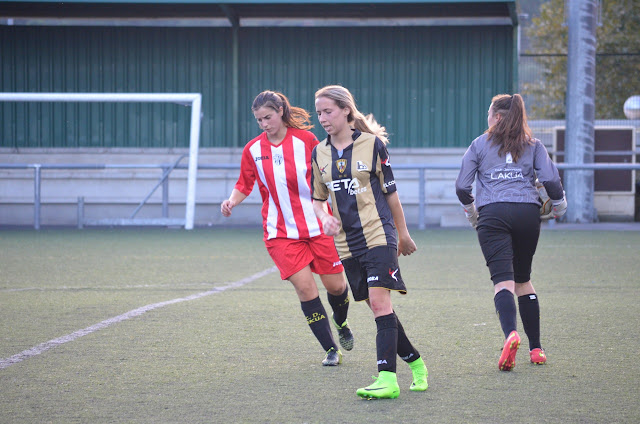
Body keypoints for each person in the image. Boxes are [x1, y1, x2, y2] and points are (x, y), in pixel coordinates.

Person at [311, 85, 428, 399]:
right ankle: (416, 364)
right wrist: (324, 217)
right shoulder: (319, 153)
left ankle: (387, 379)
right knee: (380, 309)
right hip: (346, 244)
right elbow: (317, 199)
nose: (322, 117)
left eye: (328, 111)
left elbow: (391, 194)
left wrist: (402, 235)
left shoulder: (372, 145)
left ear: (346, 110)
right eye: (319, 112)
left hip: (379, 235)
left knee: (379, 303)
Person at [221, 90, 354, 366]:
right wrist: (231, 201)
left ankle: (341, 323)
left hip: (319, 227)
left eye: (268, 117)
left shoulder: (307, 141)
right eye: (259, 120)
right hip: (280, 233)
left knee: (338, 287)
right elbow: (244, 183)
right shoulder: (253, 150)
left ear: (281, 112)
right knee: (306, 290)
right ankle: (330, 349)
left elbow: (326, 174)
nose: (264, 124)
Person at [455, 93, 567, 371]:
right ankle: (537, 349)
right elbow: (551, 179)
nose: (488, 118)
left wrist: (472, 213)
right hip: (527, 213)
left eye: (490, 113)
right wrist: (560, 205)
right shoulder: (533, 144)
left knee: (503, 282)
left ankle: (510, 335)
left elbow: (461, 187)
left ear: (498, 117)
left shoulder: (479, 145)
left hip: (493, 214)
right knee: (523, 279)